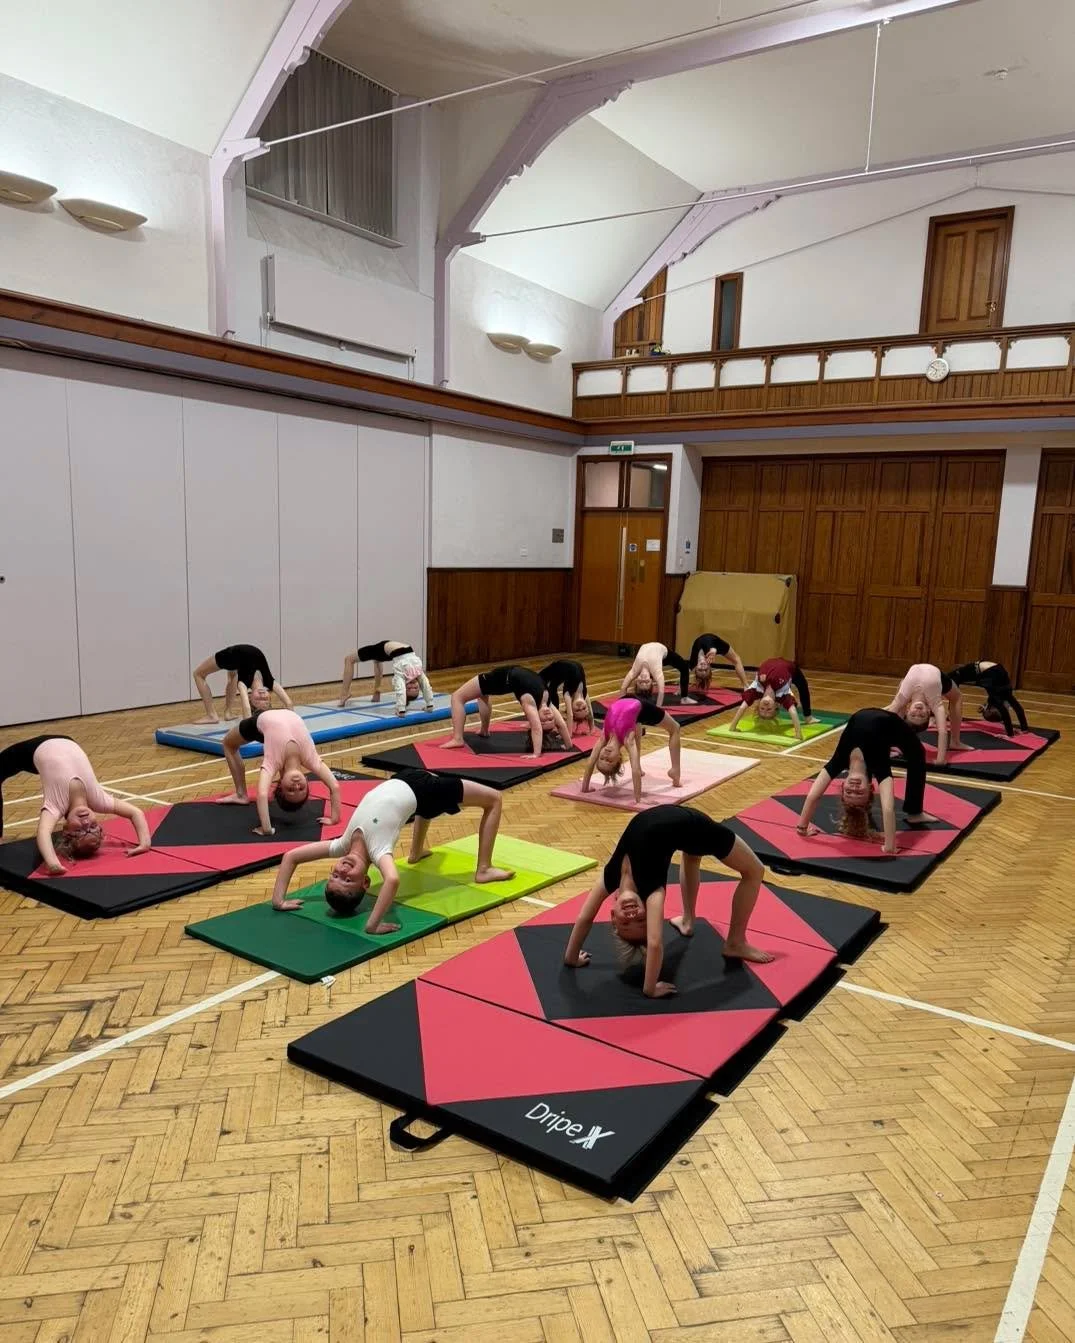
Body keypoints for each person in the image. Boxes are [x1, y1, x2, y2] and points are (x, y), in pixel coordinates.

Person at [563, 805, 773, 998]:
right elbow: (655, 943)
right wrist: (650, 988)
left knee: (692, 854)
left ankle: (688, 921)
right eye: (641, 921)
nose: (632, 916)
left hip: (681, 830)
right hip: (697, 826)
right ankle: (735, 942)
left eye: (625, 923)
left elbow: (585, 917)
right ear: (647, 909)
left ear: (612, 917)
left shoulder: (610, 877)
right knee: (755, 871)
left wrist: (571, 958)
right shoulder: (652, 890)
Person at [269, 771, 514, 933]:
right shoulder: (378, 851)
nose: (342, 870)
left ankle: (416, 852)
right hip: (424, 788)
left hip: (403, 781)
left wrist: (279, 900)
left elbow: (291, 857)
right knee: (494, 799)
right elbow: (392, 879)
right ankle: (483, 869)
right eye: (347, 880)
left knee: (422, 807)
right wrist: (372, 925)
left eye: (334, 876)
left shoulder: (340, 845)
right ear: (365, 882)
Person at [0, 735, 151, 874]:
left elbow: (43, 833)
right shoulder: (99, 801)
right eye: (92, 828)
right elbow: (136, 813)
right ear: (99, 826)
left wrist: (52, 863)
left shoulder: (55, 806)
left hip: (31, 751)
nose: (86, 822)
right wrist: (144, 843)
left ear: (65, 831)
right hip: (67, 741)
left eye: (80, 831)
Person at [795, 708, 937, 855]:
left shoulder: (838, 761)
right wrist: (889, 846)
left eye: (849, 792)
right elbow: (888, 809)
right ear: (870, 788)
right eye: (859, 792)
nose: (854, 787)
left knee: (914, 751)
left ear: (842, 785)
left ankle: (914, 813)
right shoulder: (880, 766)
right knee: (918, 753)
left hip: (866, 714)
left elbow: (814, 795)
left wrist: (802, 828)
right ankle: (914, 813)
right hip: (894, 727)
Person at [219, 688, 341, 836]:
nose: (296, 785)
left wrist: (267, 829)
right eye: (301, 789)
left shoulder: (272, 762)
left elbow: (262, 794)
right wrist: (334, 819)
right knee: (259, 694)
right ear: (307, 782)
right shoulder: (311, 759)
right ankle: (255, 700)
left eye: (291, 789)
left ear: (280, 785)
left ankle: (241, 794)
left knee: (228, 744)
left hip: (257, 723)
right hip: (283, 714)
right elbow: (334, 786)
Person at [445, 665, 573, 757]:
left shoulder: (530, 702)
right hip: (505, 676)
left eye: (545, 721)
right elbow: (561, 724)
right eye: (551, 719)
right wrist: (568, 745)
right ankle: (484, 730)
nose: (549, 715)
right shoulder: (547, 701)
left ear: (538, 720)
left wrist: (536, 754)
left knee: (457, 697)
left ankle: (458, 738)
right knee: (483, 694)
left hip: (501, 679)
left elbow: (536, 729)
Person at [580, 695, 681, 804]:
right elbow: (635, 770)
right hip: (640, 707)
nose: (605, 755)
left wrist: (585, 787)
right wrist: (638, 799)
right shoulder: (628, 740)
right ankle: (675, 771)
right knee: (675, 727)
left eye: (601, 758)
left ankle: (670, 770)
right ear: (619, 758)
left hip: (624, 699)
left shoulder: (604, 736)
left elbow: (591, 760)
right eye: (609, 760)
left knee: (635, 725)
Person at [884, 663, 963, 767]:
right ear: (929, 712)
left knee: (894, 712)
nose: (918, 712)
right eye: (922, 716)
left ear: (908, 710)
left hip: (910, 685)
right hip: (937, 676)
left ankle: (894, 741)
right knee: (957, 697)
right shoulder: (936, 704)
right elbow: (943, 731)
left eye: (913, 715)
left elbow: (883, 723)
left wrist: (884, 750)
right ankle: (955, 742)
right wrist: (940, 760)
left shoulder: (902, 698)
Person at [191, 644, 293, 724]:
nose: (262, 695)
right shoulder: (270, 681)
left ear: (250, 697)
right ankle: (228, 713)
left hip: (232, 655)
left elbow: (247, 711)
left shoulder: (243, 684)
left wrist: (250, 723)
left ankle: (212, 715)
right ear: (269, 695)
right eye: (265, 699)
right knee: (233, 675)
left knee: (198, 674)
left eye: (258, 699)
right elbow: (289, 703)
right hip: (243, 656)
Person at [725, 657, 818, 740]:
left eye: (762, 709)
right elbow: (793, 711)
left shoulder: (756, 690)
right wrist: (798, 734)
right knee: (803, 686)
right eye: (769, 709)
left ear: (758, 704)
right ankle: (808, 718)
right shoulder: (782, 694)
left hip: (770, 660)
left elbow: (742, 707)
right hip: (792, 669)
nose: (765, 706)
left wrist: (733, 727)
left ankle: (808, 718)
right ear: (776, 706)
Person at [338, 639, 434, 715]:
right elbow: (426, 686)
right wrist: (429, 705)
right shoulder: (418, 672)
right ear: (419, 685)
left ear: (405, 688)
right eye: (416, 688)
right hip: (392, 651)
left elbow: (400, 690)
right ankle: (377, 692)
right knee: (376, 659)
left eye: (410, 688)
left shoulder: (402, 675)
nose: (413, 685)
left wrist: (401, 710)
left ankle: (344, 694)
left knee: (349, 659)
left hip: (389, 650)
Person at [948, 661, 1028, 737]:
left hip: (992, 671)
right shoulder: (991, 698)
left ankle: (1016, 732)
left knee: (1006, 702)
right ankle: (1024, 729)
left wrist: (950, 714)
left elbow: (953, 698)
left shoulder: (954, 677)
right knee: (1010, 700)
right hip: (996, 670)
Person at [539, 659, 594, 734]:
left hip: (560, 669)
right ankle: (556, 719)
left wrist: (568, 734)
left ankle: (556, 718)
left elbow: (570, 715)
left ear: (572, 708)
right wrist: (592, 729)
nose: (580, 706)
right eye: (584, 708)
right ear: (586, 706)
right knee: (544, 682)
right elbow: (590, 711)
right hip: (561, 666)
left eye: (577, 710)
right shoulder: (584, 693)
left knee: (550, 687)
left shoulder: (568, 694)